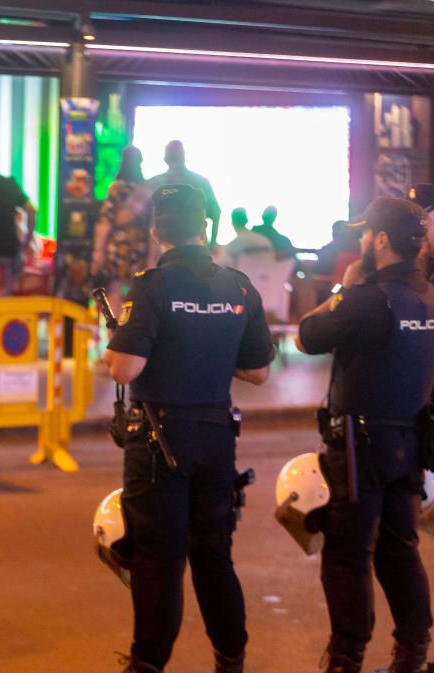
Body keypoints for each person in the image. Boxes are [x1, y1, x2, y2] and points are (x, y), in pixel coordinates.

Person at [103, 184, 274, 673]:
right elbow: (259, 371)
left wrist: (117, 349)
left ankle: (148, 664)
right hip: (217, 437)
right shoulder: (238, 286)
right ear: (203, 228)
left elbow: (124, 369)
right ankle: (231, 659)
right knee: (214, 554)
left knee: (158, 561)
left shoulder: (152, 286)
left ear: (157, 232)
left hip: (160, 442)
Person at [295, 197, 434, 673]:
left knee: (347, 553)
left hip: (359, 446)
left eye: (363, 234)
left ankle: (345, 658)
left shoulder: (367, 300)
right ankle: (412, 651)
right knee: (400, 547)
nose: (358, 242)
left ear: (378, 240)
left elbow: (306, 336)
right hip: (411, 442)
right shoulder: (430, 295)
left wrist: (342, 289)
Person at [92, 145, 151, 305]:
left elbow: (105, 221)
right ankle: (131, 326)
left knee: (115, 289)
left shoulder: (116, 189)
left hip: (117, 248)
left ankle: (116, 329)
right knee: (136, 292)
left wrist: (98, 250)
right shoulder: (145, 190)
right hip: (139, 248)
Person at [147, 140, 222, 246]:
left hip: (160, 252)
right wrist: (212, 244)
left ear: (165, 159)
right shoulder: (200, 182)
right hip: (196, 252)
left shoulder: (153, 183)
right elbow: (216, 214)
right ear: (183, 156)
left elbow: (139, 221)